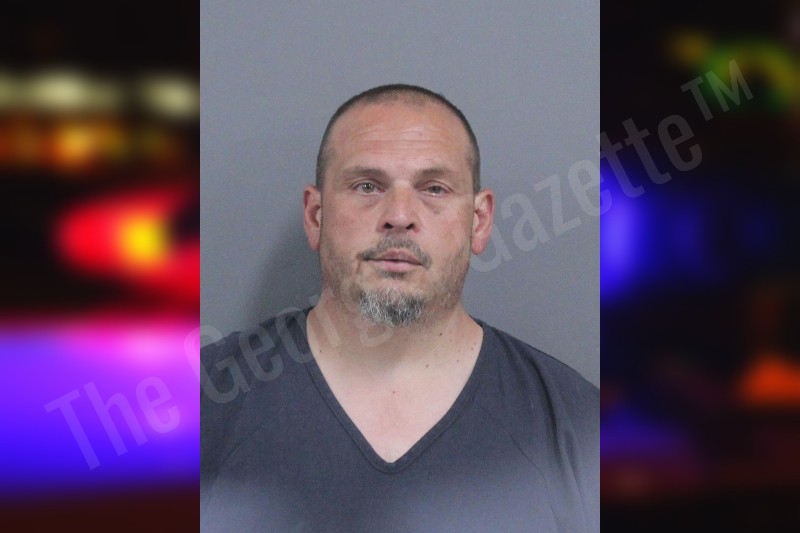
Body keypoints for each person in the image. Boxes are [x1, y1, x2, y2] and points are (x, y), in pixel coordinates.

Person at [200, 84, 599, 532]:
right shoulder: (195, 408)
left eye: (434, 188)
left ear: (479, 221)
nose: (400, 215)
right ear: (316, 215)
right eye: (367, 186)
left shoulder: (582, 430)